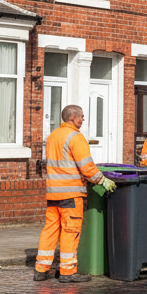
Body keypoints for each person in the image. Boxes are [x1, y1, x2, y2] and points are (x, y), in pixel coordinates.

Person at [35, 104, 114, 283]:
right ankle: (67, 272)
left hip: (53, 193)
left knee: (50, 230)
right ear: (73, 118)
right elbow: (87, 167)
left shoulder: (53, 136)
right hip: (70, 193)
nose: (83, 120)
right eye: (81, 117)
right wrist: (102, 180)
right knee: (71, 231)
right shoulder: (76, 137)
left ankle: (41, 270)